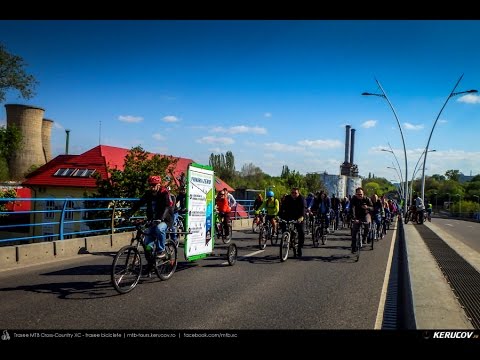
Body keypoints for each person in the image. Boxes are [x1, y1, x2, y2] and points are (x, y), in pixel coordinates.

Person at [127, 175, 174, 259]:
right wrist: (128, 215)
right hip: (152, 220)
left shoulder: (164, 193)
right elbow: (139, 204)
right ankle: (150, 259)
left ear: (159, 185)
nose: (152, 187)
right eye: (150, 185)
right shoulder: (148, 194)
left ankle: (161, 250)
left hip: (165, 219)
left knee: (159, 229)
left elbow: (168, 206)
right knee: (147, 242)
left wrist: (160, 218)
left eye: (154, 185)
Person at [278, 187, 306, 257]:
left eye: (295, 193)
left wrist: (301, 218)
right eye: (292, 193)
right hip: (289, 216)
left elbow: (303, 211)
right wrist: (278, 216)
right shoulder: (287, 198)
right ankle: (286, 237)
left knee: (301, 232)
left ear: (298, 193)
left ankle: (299, 248)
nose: (293, 194)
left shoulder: (302, 199)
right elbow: (282, 208)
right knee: (283, 224)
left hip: (299, 217)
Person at [350, 187, 373, 253]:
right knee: (354, 232)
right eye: (358, 194)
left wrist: (367, 207)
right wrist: (353, 218)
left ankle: (365, 237)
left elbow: (372, 208)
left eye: (361, 194)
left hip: (365, 214)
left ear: (363, 194)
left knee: (367, 225)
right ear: (356, 194)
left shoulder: (367, 199)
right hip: (357, 215)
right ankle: (353, 247)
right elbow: (351, 209)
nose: (359, 196)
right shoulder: (353, 199)